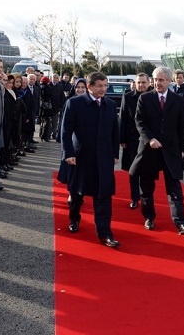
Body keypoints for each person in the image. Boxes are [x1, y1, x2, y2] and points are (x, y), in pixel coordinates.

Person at [129, 66, 184, 235]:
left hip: (171, 150)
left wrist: (182, 150)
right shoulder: (145, 98)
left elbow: (182, 127)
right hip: (149, 150)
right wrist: (150, 139)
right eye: (155, 80)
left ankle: (181, 222)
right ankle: (149, 217)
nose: (157, 83)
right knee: (147, 188)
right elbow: (139, 122)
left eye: (161, 80)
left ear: (169, 81)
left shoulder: (178, 100)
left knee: (175, 188)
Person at [61, 72, 121, 248]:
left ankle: (105, 233)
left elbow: (114, 132)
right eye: (100, 86)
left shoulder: (110, 105)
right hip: (81, 157)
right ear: (89, 87)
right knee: (77, 193)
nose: (103, 89)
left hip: (104, 158)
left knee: (103, 196)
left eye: (105, 86)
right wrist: (68, 153)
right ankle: (74, 219)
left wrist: (115, 154)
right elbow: (65, 131)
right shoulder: (74, 103)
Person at [119, 73, 150, 209]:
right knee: (133, 170)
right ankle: (134, 198)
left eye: (144, 82)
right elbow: (123, 118)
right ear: (135, 83)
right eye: (139, 82)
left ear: (149, 83)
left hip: (148, 140)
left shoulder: (153, 97)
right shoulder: (127, 97)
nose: (141, 85)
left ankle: (146, 198)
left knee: (146, 171)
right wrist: (122, 139)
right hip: (131, 140)